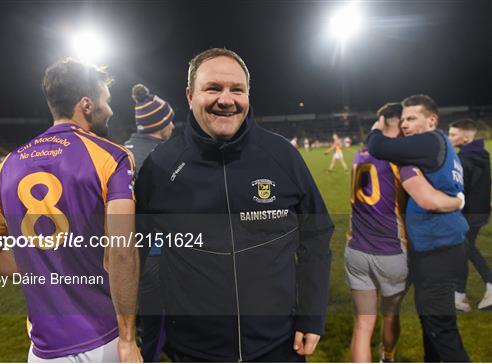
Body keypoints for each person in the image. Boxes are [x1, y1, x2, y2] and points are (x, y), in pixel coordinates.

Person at [135, 48, 334, 362]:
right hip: (193, 352)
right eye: (212, 88)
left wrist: (311, 314)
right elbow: (133, 252)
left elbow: (317, 234)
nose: (226, 99)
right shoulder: (160, 167)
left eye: (236, 90)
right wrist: (131, 329)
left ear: (248, 95)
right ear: (190, 96)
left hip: (279, 347)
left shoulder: (281, 156)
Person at [0, 58, 142, 363]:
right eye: (107, 100)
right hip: (101, 340)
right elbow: (121, 251)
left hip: (41, 350)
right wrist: (128, 339)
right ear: (87, 104)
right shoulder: (113, 157)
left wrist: (46, 275)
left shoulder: (6, 166)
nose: (111, 110)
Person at [347, 103, 464, 362]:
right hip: (391, 251)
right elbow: (427, 199)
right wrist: (457, 201)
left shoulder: (360, 155)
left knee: (363, 327)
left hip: (355, 249)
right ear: (397, 126)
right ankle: (387, 357)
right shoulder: (405, 163)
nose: (407, 128)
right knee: (392, 316)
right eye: (405, 122)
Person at [124, 83, 175, 362]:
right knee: (154, 332)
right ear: (160, 122)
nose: (173, 125)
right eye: (169, 119)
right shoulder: (166, 156)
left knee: (135, 323)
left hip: (120, 255)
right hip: (155, 254)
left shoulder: (118, 151)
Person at [448, 119, 492, 311]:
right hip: (480, 211)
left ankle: (489, 284)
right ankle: (460, 295)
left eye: (453, 134)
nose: (449, 138)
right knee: (465, 250)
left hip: (468, 213)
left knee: (466, 249)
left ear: (465, 138)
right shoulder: (481, 154)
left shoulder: (463, 160)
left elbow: (459, 189)